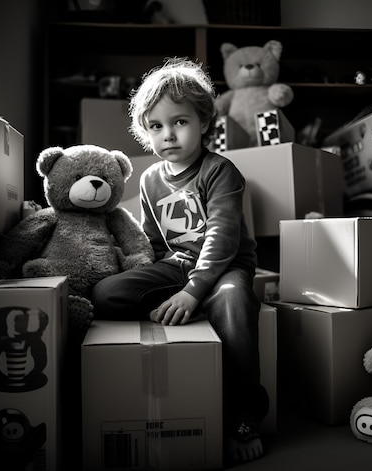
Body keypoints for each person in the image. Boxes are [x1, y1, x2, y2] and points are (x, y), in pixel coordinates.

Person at [91, 57, 268, 464]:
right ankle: (191, 307)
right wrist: (148, 274)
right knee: (106, 294)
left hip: (225, 267)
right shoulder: (151, 178)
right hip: (178, 264)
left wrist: (194, 291)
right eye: (156, 126)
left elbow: (223, 238)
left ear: (204, 122)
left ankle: (246, 414)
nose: (167, 134)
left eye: (179, 122)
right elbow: (152, 240)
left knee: (233, 303)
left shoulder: (220, 171)